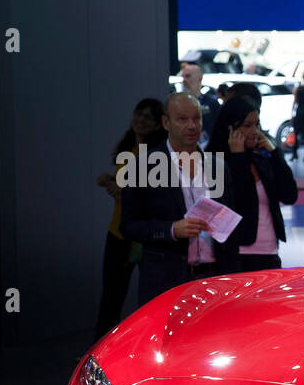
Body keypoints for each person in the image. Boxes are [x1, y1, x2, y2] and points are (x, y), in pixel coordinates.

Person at [121, 92, 235, 305]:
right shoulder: (143, 166)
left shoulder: (218, 166)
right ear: (166, 122)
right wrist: (172, 230)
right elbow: (128, 226)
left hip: (214, 279)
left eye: (196, 118)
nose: (192, 126)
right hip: (167, 280)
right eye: (182, 119)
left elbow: (230, 222)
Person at [94, 98, 165, 337]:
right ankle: (99, 348)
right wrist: (112, 183)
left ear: (158, 124)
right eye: (139, 114)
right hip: (118, 230)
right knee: (111, 294)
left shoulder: (155, 155)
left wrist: (121, 193)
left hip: (138, 234)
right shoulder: (130, 147)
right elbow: (129, 188)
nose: (141, 120)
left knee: (147, 297)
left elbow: (148, 198)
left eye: (148, 117)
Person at [208, 96, 298, 272]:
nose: (255, 131)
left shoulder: (262, 158)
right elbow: (238, 204)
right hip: (236, 254)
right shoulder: (215, 161)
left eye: (257, 125)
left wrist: (275, 155)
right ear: (230, 128)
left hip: (270, 252)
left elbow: (290, 195)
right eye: (247, 125)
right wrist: (238, 158)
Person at [178, 58, 220, 147]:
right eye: (183, 76)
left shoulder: (212, 103)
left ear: (199, 79)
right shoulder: (176, 104)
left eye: (188, 76)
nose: (184, 80)